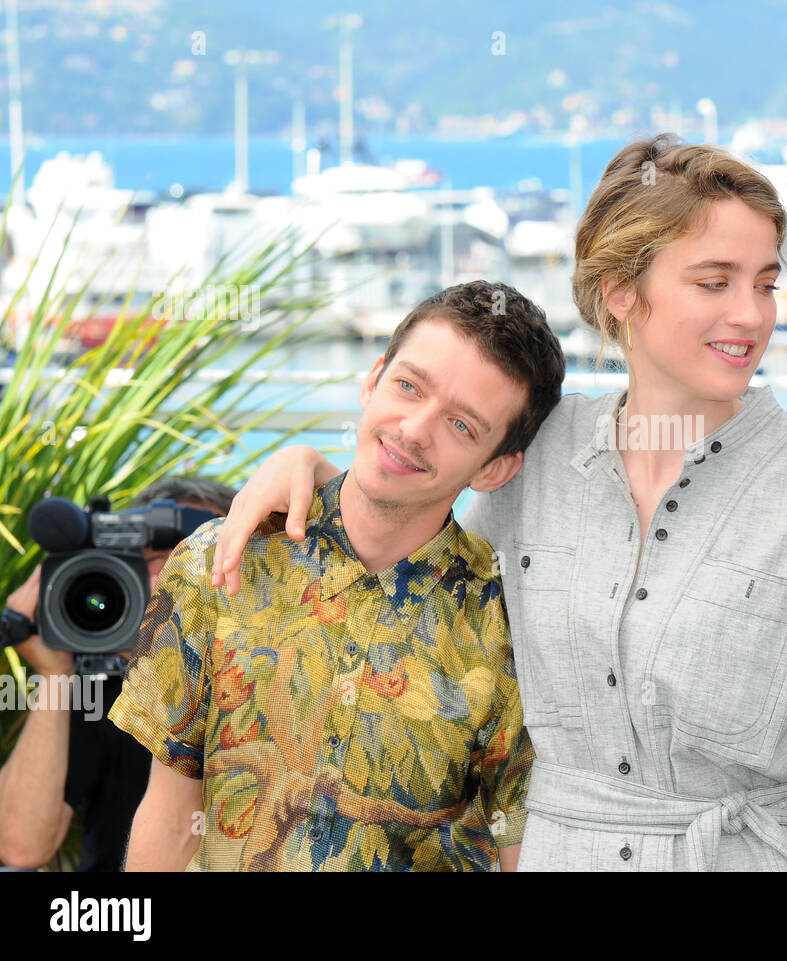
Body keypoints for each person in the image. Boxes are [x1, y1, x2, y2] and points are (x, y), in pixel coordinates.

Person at [212, 134, 787, 870]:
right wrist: (313, 469)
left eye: (766, 283)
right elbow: (413, 538)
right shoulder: (536, 457)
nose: (750, 314)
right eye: (715, 282)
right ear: (621, 290)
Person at [107, 281, 565, 871]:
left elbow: (518, 846)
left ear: (497, 467)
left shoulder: (505, 624)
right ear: (373, 379)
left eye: (462, 426)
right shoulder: (219, 559)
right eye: (408, 387)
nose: (414, 429)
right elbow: (170, 818)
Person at [0, 477, 236, 871]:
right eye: (151, 559)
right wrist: (55, 675)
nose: (172, 578)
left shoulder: (278, 677)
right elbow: (19, 846)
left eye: (199, 555)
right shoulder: (103, 689)